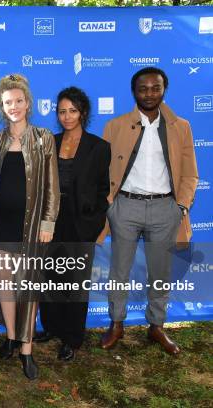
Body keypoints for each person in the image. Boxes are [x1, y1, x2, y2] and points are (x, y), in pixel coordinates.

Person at [98, 67, 198, 355]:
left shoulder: (181, 126)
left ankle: (156, 326)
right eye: (144, 89)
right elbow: (103, 171)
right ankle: (116, 324)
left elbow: (190, 173)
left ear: (164, 89)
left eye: (156, 88)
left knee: (160, 271)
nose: (150, 94)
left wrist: (181, 206)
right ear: (134, 92)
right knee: (119, 271)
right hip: (125, 207)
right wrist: (110, 204)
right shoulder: (115, 126)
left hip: (165, 208)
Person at [34, 87, 110, 361]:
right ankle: (51, 327)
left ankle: (72, 337)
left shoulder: (99, 147)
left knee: (75, 281)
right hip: (50, 220)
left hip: (81, 223)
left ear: (83, 113)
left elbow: (103, 190)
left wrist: (94, 223)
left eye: (73, 111)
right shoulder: (48, 142)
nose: (67, 117)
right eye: (62, 111)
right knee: (50, 278)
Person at [0, 73, 59, 380]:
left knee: (29, 285)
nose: (14, 106)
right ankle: (9, 336)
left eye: (19, 101)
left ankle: (27, 351)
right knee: (5, 282)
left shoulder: (44, 138)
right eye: (8, 102)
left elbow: (52, 187)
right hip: (0, 224)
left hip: (32, 225)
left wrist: (48, 222)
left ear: (28, 103)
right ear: (1, 106)